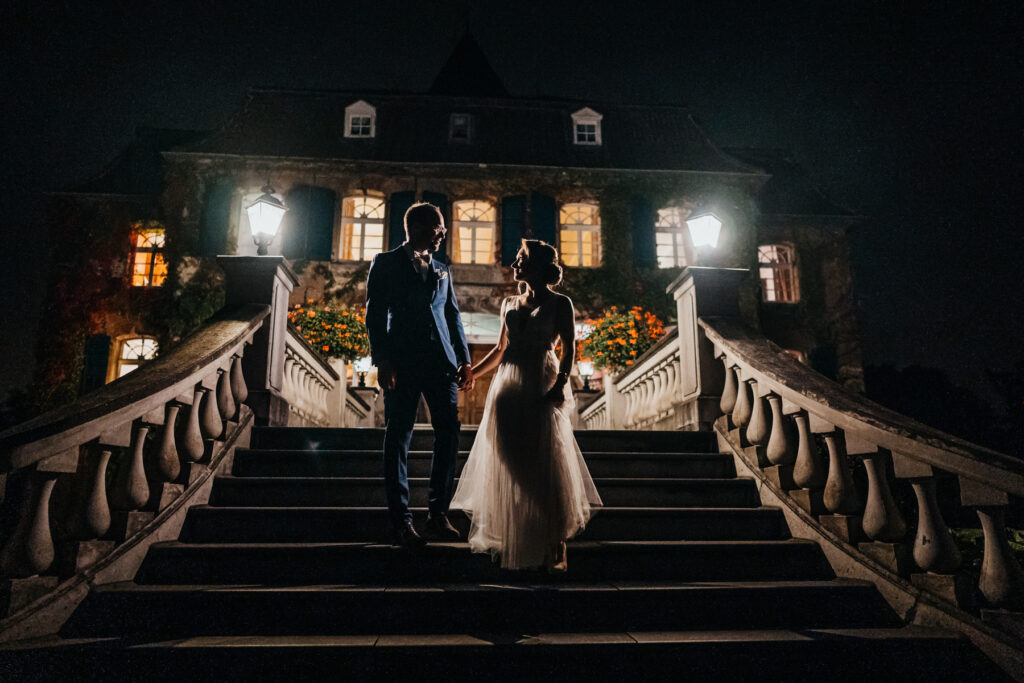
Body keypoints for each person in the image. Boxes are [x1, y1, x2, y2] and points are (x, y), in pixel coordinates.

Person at [450, 240, 601, 571]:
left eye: (521, 259)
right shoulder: (507, 303)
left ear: (537, 267)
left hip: (540, 383)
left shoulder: (561, 303)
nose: (514, 263)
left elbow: (569, 350)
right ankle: (525, 532)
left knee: (543, 461)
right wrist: (473, 372)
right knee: (508, 457)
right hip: (507, 387)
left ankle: (553, 538)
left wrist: (561, 384)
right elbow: (501, 348)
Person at [365, 202, 474, 548]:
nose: (443, 232)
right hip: (402, 362)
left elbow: (452, 316)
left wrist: (465, 359)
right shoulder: (385, 263)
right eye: (438, 226)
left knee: (449, 435)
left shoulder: (443, 268)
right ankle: (401, 521)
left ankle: (437, 515)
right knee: (398, 436)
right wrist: (383, 361)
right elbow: (374, 315)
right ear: (418, 227)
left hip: (442, 365)